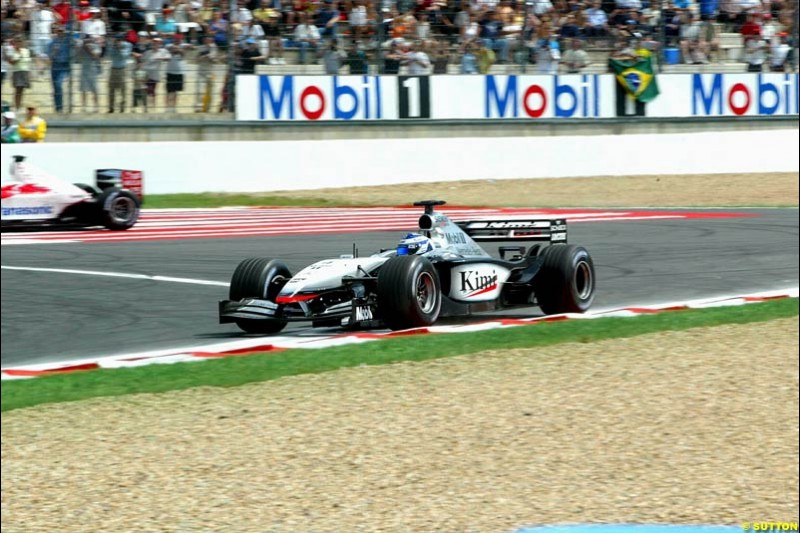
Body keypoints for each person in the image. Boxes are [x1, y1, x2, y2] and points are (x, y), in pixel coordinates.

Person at [48, 25, 71, 114]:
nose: (61, 33)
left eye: (62, 31)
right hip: (55, 65)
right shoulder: (52, 43)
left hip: (65, 65)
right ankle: (58, 107)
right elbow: (50, 57)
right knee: (57, 87)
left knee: (61, 85)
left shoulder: (68, 42)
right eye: (59, 31)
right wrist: (54, 51)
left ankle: (65, 107)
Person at [108, 34, 133, 113]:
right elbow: (109, 55)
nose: (118, 42)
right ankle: (111, 108)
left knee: (123, 90)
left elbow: (124, 56)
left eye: (119, 40)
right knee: (111, 90)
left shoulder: (127, 46)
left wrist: (119, 49)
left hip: (122, 70)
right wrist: (114, 47)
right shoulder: (112, 47)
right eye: (117, 40)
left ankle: (122, 108)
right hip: (113, 70)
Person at [78, 36, 102, 113]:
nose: (87, 42)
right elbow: (77, 58)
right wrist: (80, 48)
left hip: (93, 69)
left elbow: (97, 56)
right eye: (86, 40)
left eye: (89, 40)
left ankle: (96, 107)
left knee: (94, 89)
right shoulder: (81, 48)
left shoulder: (95, 46)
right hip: (84, 69)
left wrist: (89, 50)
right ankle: (84, 106)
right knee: (83, 89)